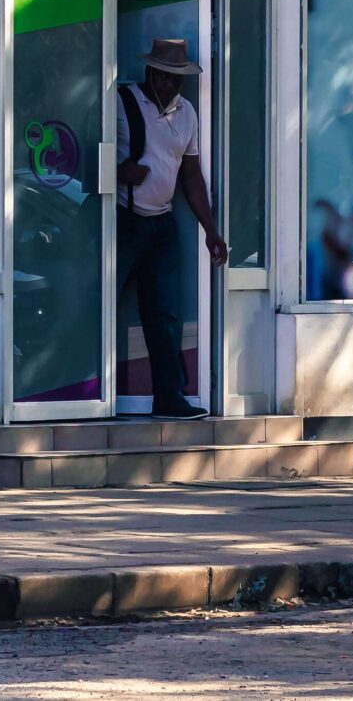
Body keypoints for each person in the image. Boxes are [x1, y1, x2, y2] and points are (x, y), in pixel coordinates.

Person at [115, 38, 226, 419]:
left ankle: (168, 396)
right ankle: (79, 395)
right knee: (98, 304)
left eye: (176, 77)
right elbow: (88, 157)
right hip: (121, 218)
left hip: (161, 223)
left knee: (165, 314)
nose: (169, 83)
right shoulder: (122, 101)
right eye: (163, 75)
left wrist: (210, 230)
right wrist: (119, 172)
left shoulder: (187, 112)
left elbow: (191, 175)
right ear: (149, 71)